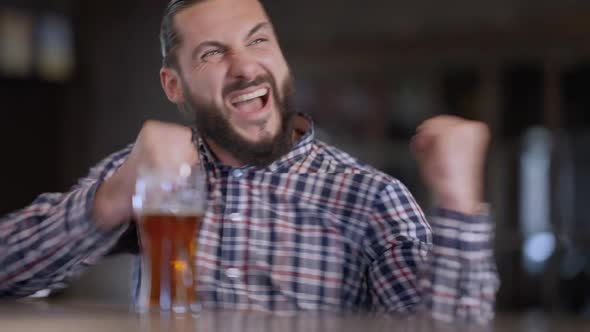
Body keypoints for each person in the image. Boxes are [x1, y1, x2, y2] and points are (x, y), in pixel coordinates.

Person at [0, 0, 498, 324]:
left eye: (259, 41)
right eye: (212, 54)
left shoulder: (370, 198)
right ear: (175, 86)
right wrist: (112, 195)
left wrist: (458, 203)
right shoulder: (155, 176)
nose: (244, 66)